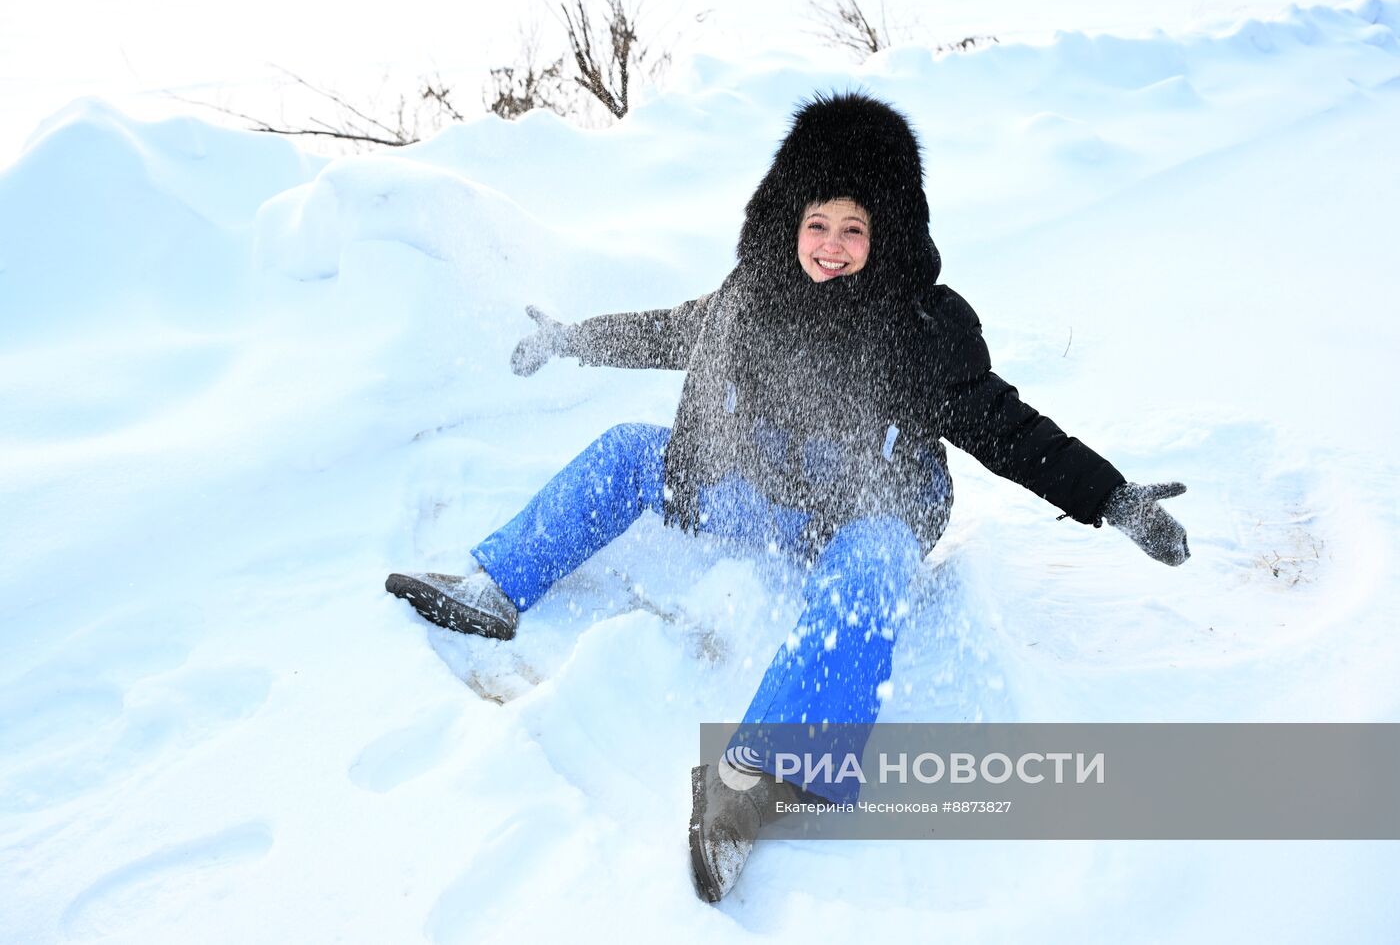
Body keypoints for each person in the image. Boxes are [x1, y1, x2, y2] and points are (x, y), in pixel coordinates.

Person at [385, 92, 1189, 902]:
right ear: (788, 221)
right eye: (818, 224)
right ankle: (495, 587)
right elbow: (669, 330)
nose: (832, 247)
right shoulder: (751, 294)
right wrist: (573, 341)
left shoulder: (926, 325)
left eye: (854, 229)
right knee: (631, 450)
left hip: (866, 509)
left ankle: (762, 775)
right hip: (755, 486)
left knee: (874, 561)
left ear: (887, 234)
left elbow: (1006, 427)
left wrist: (1112, 498)